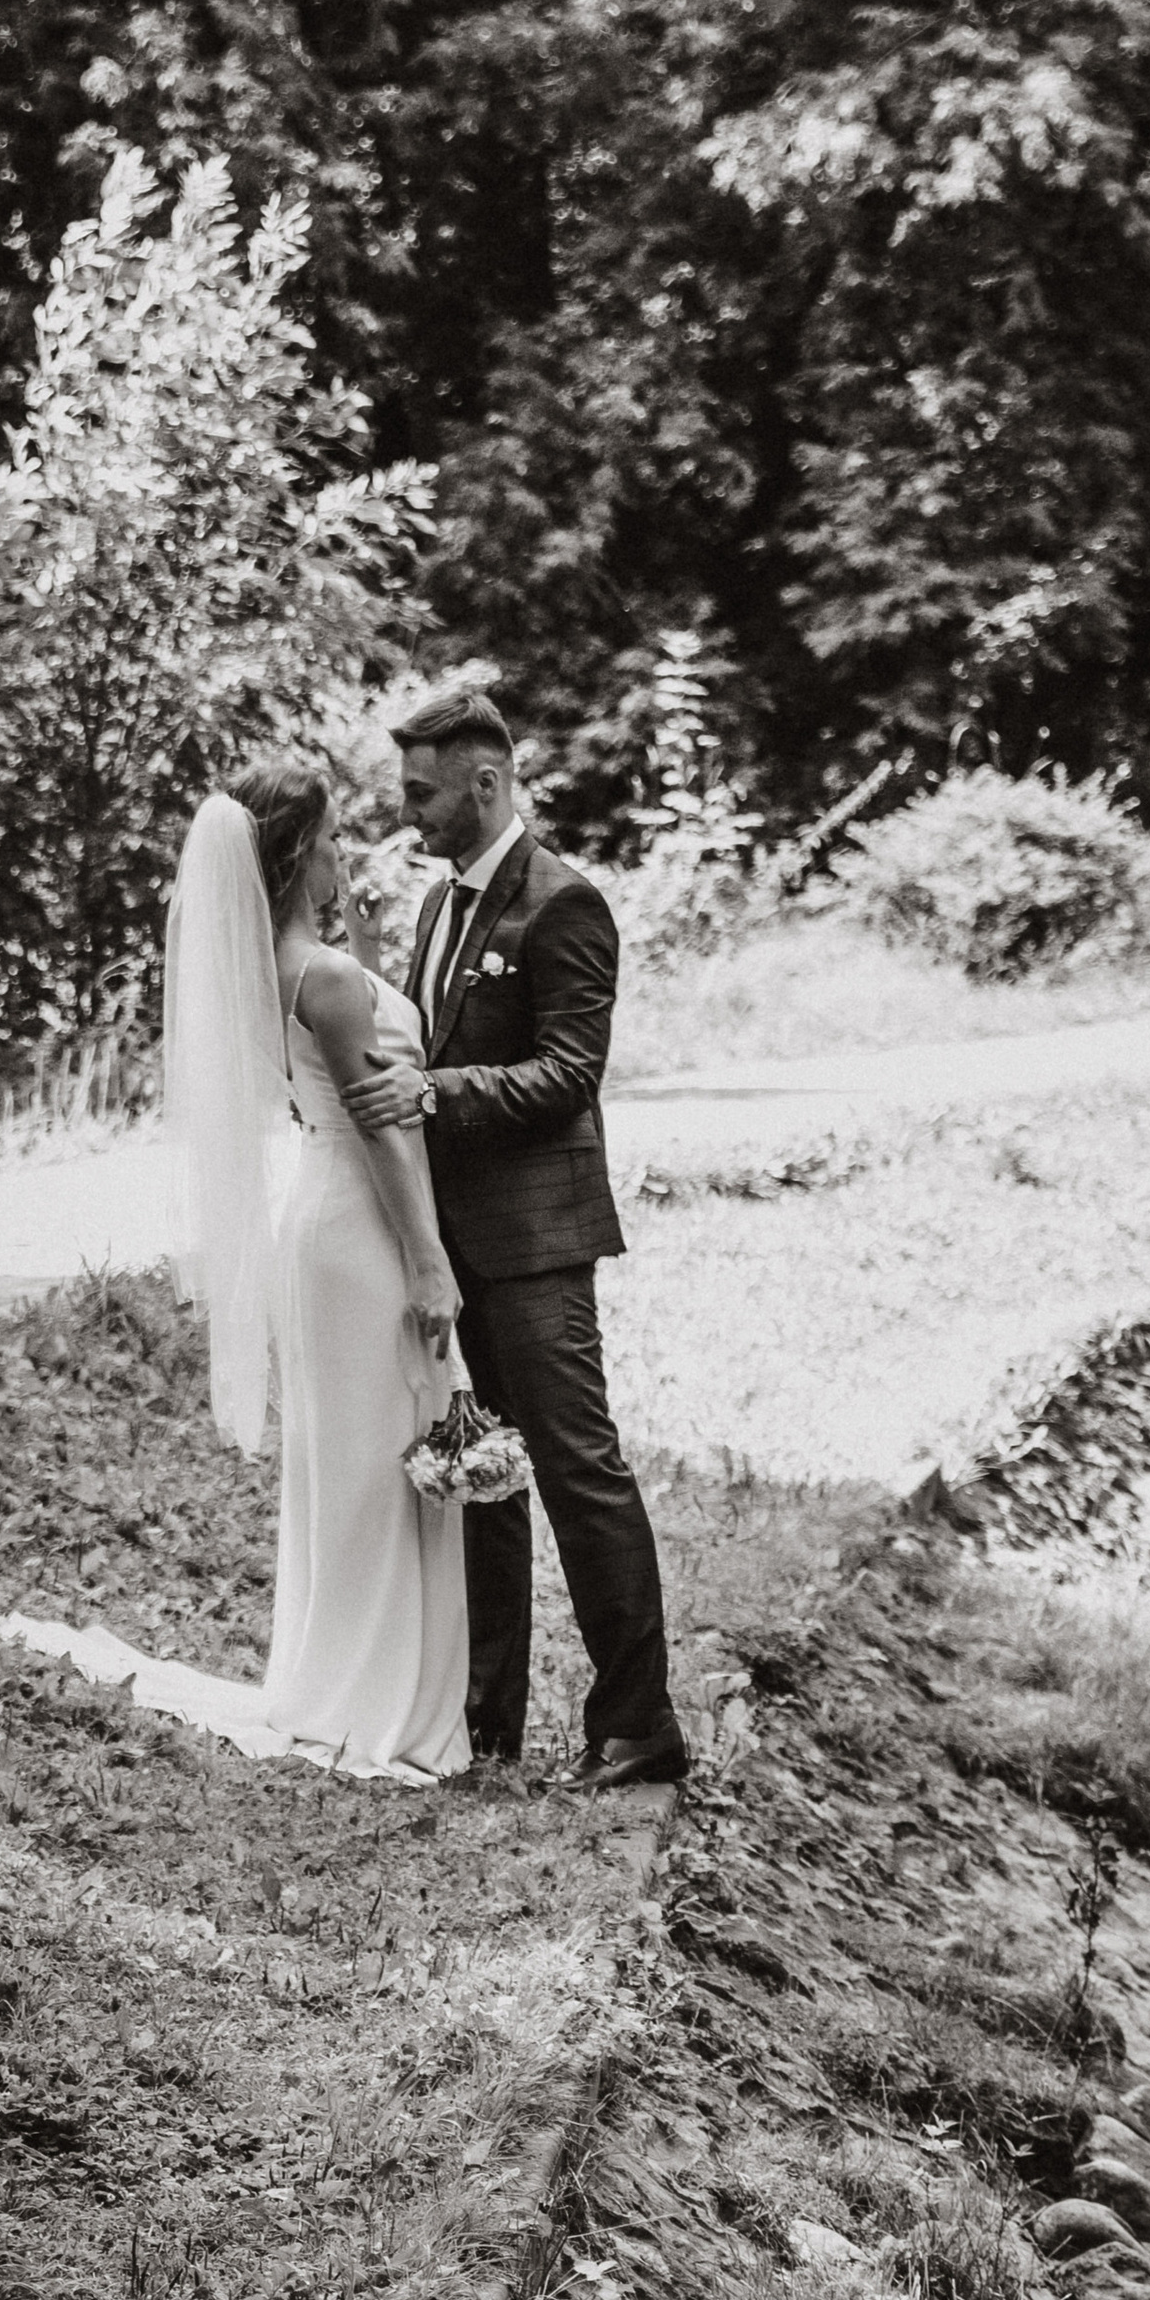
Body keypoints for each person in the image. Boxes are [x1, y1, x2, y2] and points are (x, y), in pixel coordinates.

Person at [340, 679, 687, 1791]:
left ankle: (637, 1726)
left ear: (486, 782)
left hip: (536, 1245)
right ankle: (486, 1722)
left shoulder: (564, 903)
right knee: (481, 1482)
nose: (412, 815)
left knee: (580, 1471)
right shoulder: (438, 905)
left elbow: (567, 1073)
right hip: (451, 1244)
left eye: (426, 794)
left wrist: (436, 1094)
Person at [164, 762, 471, 1779]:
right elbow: (383, 1129)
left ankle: (337, 1675)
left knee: (351, 1455)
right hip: (361, 1230)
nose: (348, 855)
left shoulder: (283, 963)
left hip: (321, 1220)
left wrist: (359, 942)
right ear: (298, 854)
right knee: (377, 1463)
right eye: (335, 839)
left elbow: (349, 1059)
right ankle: (373, 1702)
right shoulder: (326, 978)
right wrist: (429, 1265)